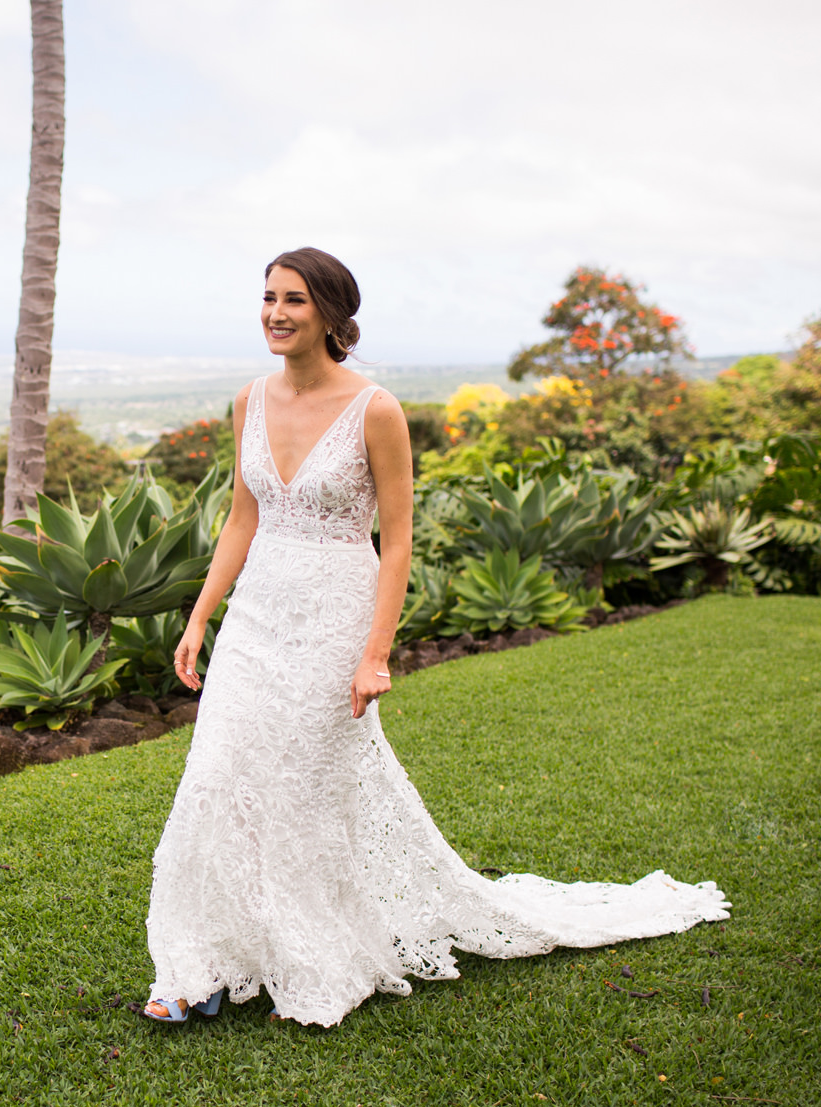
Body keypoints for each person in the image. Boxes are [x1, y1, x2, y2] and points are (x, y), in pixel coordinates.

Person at [140, 247, 729, 1028]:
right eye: (268, 297)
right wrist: (201, 613)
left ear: (331, 315)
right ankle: (203, 964)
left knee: (302, 787)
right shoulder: (250, 399)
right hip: (256, 615)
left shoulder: (374, 409)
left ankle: (314, 957)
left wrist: (375, 651)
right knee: (217, 777)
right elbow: (243, 516)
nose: (276, 313)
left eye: (295, 300)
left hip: (334, 613)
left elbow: (400, 536)